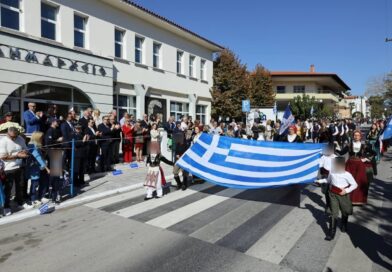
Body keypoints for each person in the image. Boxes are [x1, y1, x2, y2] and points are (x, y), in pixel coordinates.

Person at [315, 157, 358, 241]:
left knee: (345, 210)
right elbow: (328, 180)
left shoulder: (347, 174)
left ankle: (344, 224)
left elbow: (355, 185)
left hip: (343, 195)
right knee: (333, 213)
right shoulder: (332, 172)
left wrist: (346, 190)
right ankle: (331, 233)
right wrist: (319, 181)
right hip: (333, 194)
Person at [337, 130, 371, 205]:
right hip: (350, 165)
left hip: (360, 166)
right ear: (353, 136)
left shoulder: (364, 146)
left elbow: (373, 153)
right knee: (347, 181)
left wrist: (365, 158)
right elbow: (341, 153)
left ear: (360, 137)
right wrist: (335, 147)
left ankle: (358, 200)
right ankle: (347, 199)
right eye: (355, 135)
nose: (356, 137)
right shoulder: (349, 145)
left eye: (358, 135)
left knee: (359, 182)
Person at [0, 127, 29, 213]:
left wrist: (25, 152)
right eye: (12, 137)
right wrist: (18, 155)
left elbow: (26, 149)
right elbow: (2, 156)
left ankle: (20, 202)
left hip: (19, 166)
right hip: (8, 168)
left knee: (20, 186)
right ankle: (6, 206)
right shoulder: (3, 141)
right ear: (8, 134)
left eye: (15, 136)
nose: (14, 138)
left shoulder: (19, 138)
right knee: (8, 188)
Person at [26, 131, 50, 206]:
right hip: (34, 168)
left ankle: (40, 197)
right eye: (41, 138)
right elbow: (38, 157)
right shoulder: (32, 145)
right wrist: (46, 168)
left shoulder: (37, 144)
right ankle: (33, 199)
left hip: (38, 167)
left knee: (39, 182)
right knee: (34, 183)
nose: (42, 139)